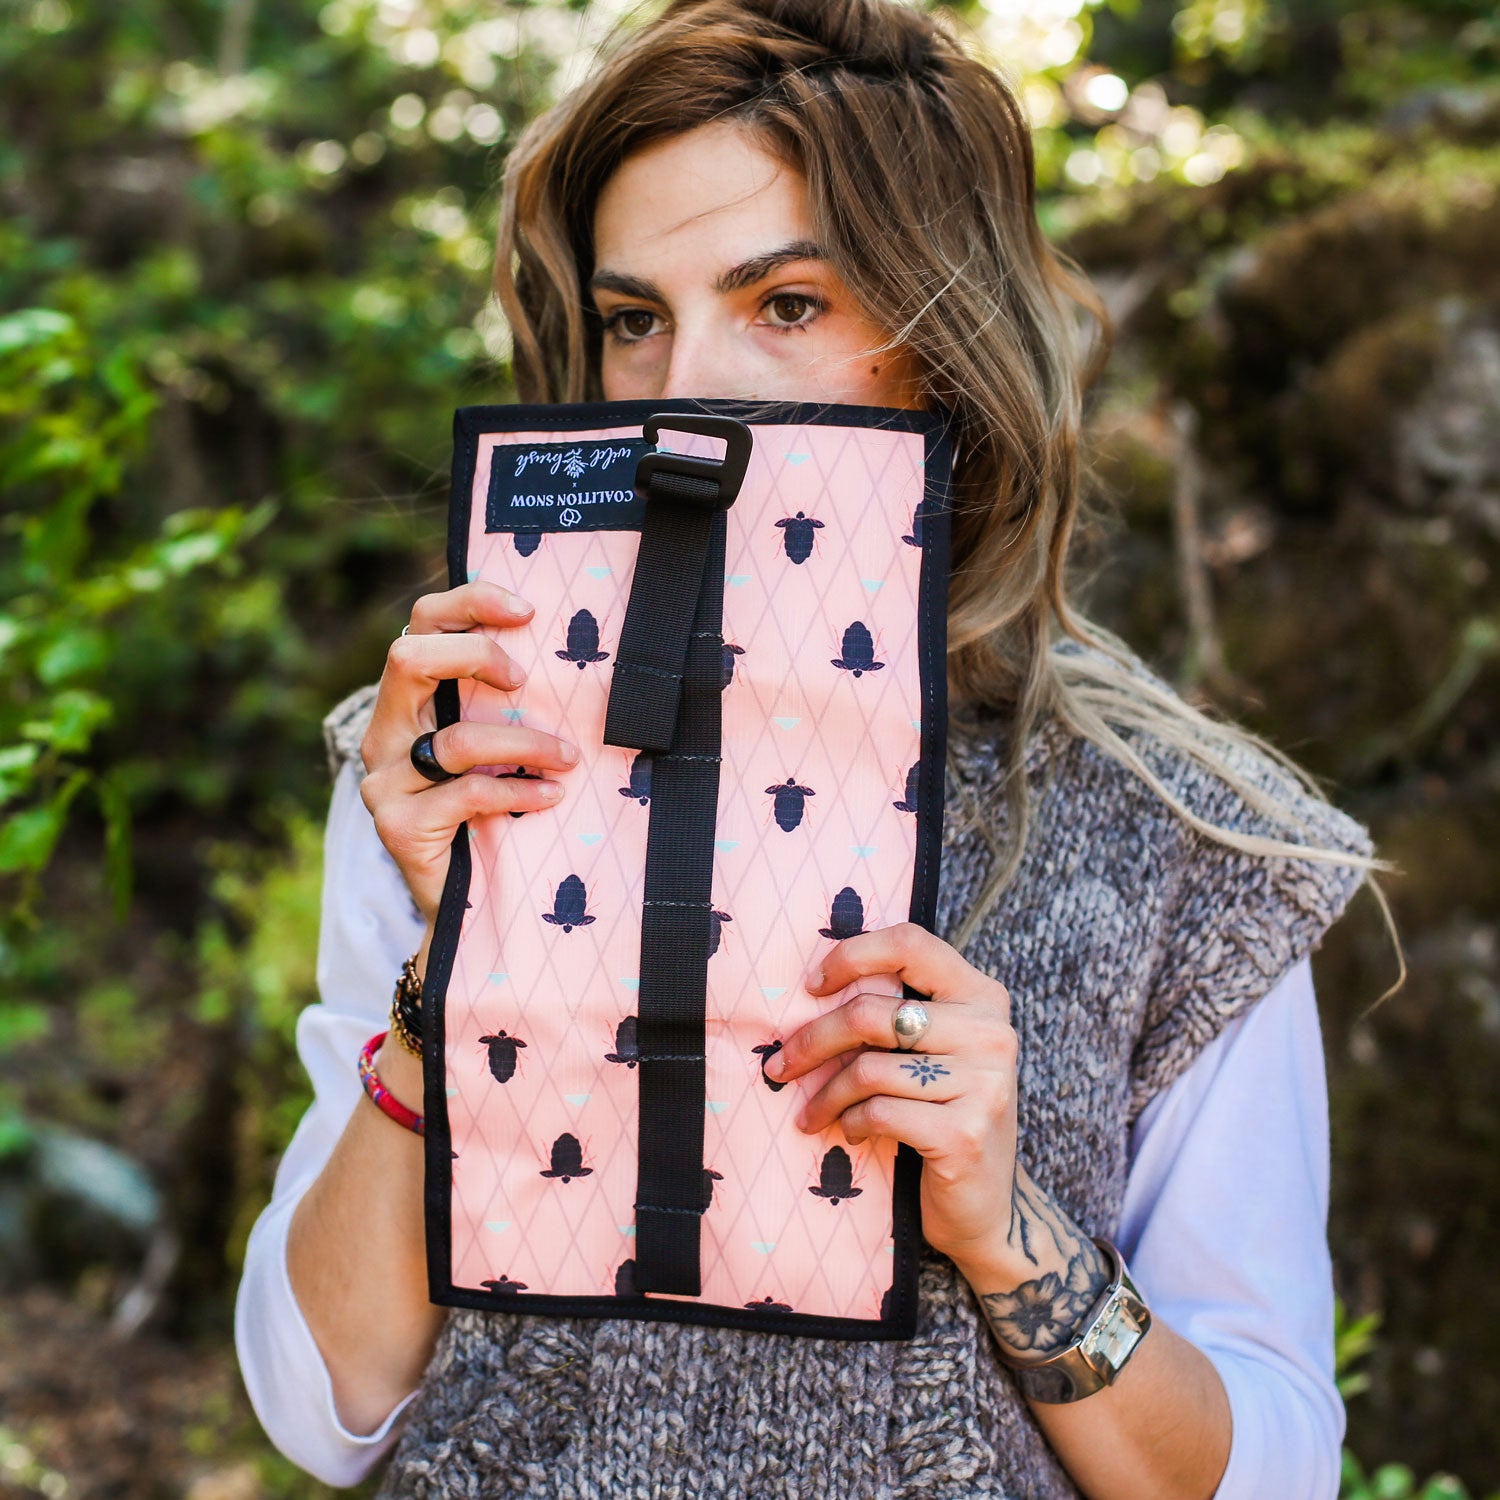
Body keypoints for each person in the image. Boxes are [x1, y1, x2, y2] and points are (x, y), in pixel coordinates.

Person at [234, 1, 1398, 1494]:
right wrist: (444, 982)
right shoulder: (456, 753)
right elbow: (317, 1405)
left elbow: (1274, 1472)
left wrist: (1002, 1221)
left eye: (786, 303)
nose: (686, 391)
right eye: (634, 319)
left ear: (941, 341)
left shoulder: (1195, 845)